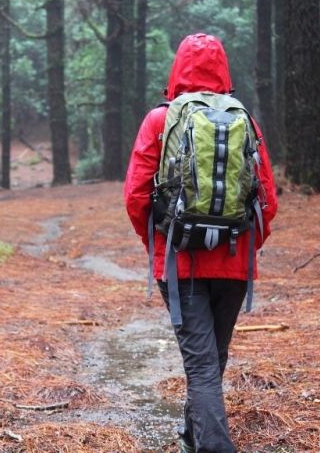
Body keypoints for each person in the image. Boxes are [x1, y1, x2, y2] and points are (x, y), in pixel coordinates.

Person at [123, 34, 279, 453]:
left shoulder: (160, 120)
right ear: (224, 68)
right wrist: (244, 245)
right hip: (234, 262)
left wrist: (157, 246)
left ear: (177, 69)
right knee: (212, 361)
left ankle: (212, 446)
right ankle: (193, 437)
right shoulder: (244, 118)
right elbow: (268, 199)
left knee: (202, 365)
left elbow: (136, 196)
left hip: (181, 263)